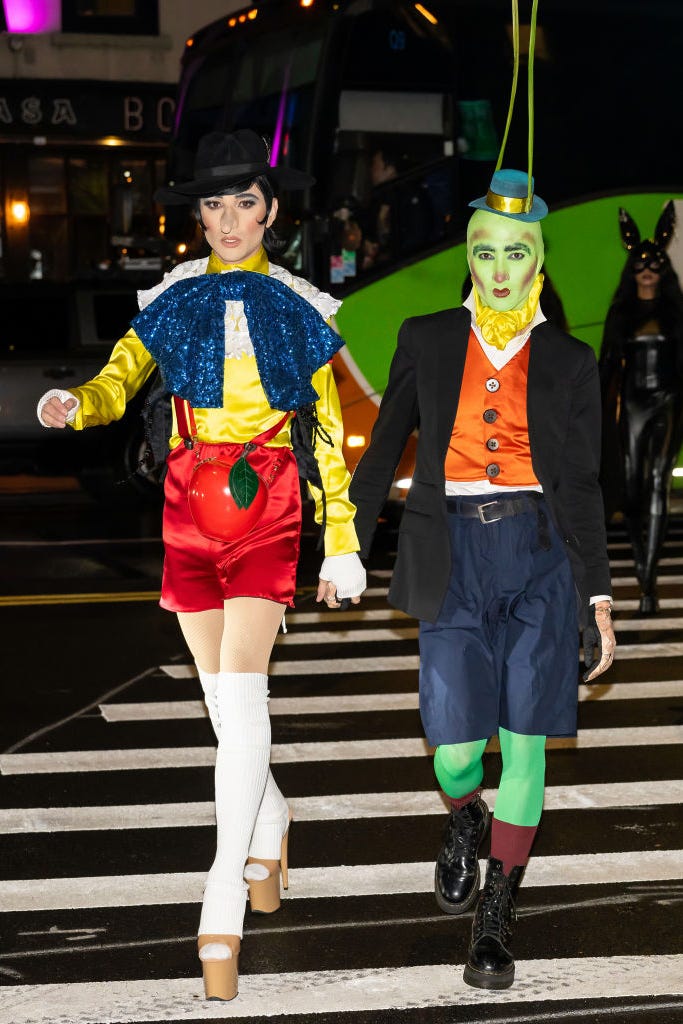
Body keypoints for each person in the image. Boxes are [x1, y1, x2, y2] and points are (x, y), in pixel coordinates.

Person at [36, 129, 366, 1002]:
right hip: (187, 499)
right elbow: (119, 378)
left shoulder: (299, 305)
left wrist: (341, 541)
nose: (227, 220)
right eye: (212, 205)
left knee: (244, 685)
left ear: (272, 208)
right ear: (197, 215)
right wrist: (78, 403)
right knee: (220, 699)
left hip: (268, 500)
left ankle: (221, 892)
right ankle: (274, 817)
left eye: (243, 202)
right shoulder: (174, 296)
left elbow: (326, 432)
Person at [349, 168, 616, 990]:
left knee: (527, 746)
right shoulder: (425, 337)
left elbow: (579, 484)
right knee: (456, 753)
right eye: (485, 253)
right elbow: (384, 445)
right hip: (451, 555)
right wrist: (346, 544)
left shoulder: (568, 359)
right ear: (470, 259)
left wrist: (596, 599)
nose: (499, 269)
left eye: (514, 254)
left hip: (539, 559)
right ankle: (465, 816)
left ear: (535, 262)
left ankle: (494, 919)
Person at [598, 202, 683, 614]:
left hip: (668, 401)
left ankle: (648, 582)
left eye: (654, 264)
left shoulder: (676, 313)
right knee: (632, 490)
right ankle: (640, 566)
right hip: (631, 403)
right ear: (631, 270)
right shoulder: (621, 313)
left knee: (657, 481)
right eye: (640, 264)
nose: (647, 270)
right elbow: (605, 366)